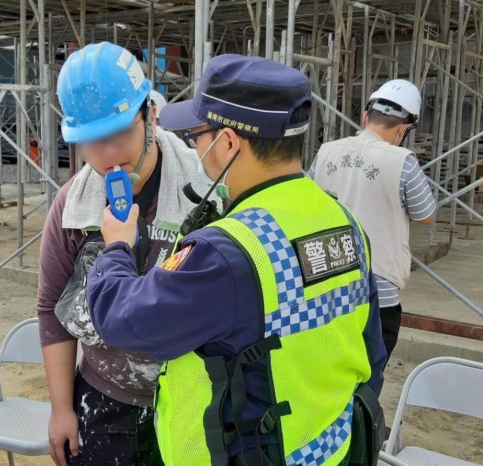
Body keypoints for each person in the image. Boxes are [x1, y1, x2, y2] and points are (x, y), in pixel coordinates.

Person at [85, 55, 387, 466]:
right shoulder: (345, 222)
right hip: (329, 449)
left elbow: (123, 319)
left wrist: (117, 248)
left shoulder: (228, 254)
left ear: (227, 143)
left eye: (196, 135)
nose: (194, 147)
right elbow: (372, 352)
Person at [38, 42, 214, 466]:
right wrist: (62, 408)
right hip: (106, 398)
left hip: (194, 399)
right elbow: (49, 308)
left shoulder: (206, 191)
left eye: (119, 135)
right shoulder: (73, 206)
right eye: (91, 143)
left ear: (150, 114)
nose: (108, 154)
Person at [308, 79, 436, 360]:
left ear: (366, 117)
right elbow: (425, 214)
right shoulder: (402, 160)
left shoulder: (327, 151)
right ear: (403, 128)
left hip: (326, 280)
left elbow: (306, 197)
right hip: (378, 288)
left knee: (329, 366)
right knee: (369, 373)